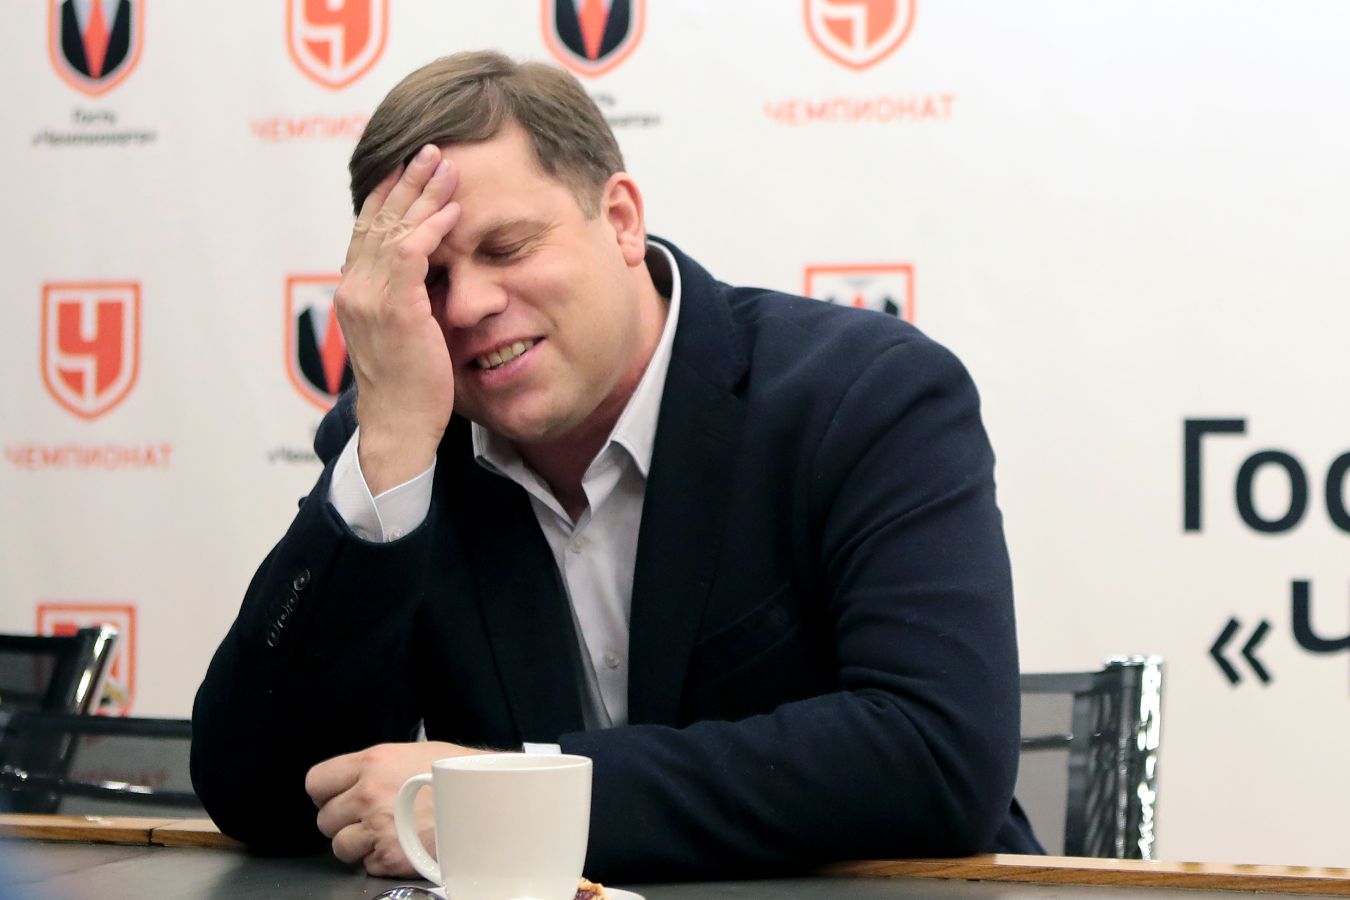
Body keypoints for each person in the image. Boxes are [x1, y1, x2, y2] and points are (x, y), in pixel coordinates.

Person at [191, 50, 1041, 882]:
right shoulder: (403, 437)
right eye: (430, 278)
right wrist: (388, 455)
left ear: (623, 220)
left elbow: (938, 754)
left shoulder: (865, 395)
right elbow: (261, 796)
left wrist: (513, 801)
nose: (470, 306)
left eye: (507, 248)